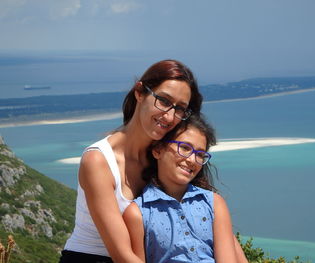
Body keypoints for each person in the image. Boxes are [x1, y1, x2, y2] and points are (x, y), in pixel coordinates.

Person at [59, 59, 203, 263]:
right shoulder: (98, 160)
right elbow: (122, 255)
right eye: (163, 101)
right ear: (139, 93)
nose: (170, 117)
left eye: (180, 108)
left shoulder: (165, 157)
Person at [123, 113, 248, 263]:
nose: (192, 160)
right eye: (184, 148)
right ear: (158, 150)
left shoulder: (213, 203)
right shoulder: (138, 213)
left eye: (200, 154)